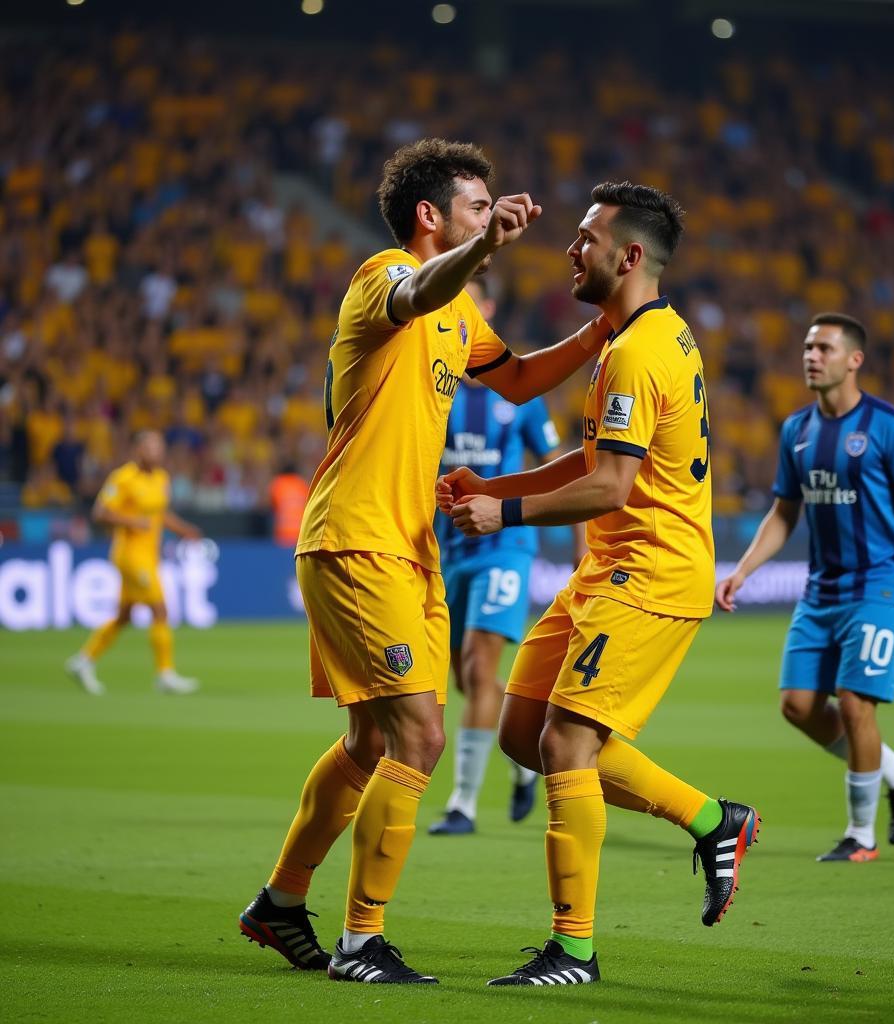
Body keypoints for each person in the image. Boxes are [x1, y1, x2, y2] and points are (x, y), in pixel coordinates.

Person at [238, 139, 616, 985]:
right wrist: (482, 249)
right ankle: (359, 942)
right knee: (420, 732)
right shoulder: (381, 279)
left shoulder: (462, 315)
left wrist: (602, 331)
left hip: (409, 548)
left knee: (372, 740)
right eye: (478, 208)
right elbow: (420, 288)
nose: (493, 219)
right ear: (431, 216)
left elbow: (516, 380)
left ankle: (280, 903)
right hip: (355, 537)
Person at [438, 182, 760, 987]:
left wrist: (502, 521)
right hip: (608, 567)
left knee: (565, 744)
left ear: (632, 255)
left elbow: (611, 489)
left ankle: (573, 949)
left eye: (587, 238)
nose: (571, 251)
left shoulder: (640, 351)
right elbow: (591, 464)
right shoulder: (636, 338)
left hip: (648, 572)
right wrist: (498, 489)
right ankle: (714, 820)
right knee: (523, 736)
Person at [715, 313, 894, 862]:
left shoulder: (890, 427)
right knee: (797, 706)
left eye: (824, 348)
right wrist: (743, 570)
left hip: (881, 585)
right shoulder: (795, 431)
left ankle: (860, 835)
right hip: (820, 592)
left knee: (853, 704)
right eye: (807, 347)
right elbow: (783, 512)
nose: (811, 356)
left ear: (854, 360)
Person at [430, 277, 569, 836]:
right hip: (451, 552)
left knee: (481, 667)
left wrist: (581, 546)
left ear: (486, 311)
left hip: (507, 548)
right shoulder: (433, 389)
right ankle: (521, 758)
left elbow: (564, 468)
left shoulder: (520, 398)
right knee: (468, 678)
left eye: (470, 301)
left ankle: (462, 803)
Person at [65, 430, 203, 695]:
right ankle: (165, 673)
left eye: (159, 447)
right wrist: (131, 521)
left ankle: (83, 661)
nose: (157, 452)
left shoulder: (162, 478)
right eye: (151, 447)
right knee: (160, 609)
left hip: (149, 555)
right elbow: (100, 512)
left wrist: (185, 530)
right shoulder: (123, 477)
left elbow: (159, 514)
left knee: (124, 616)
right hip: (129, 555)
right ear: (138, 450)